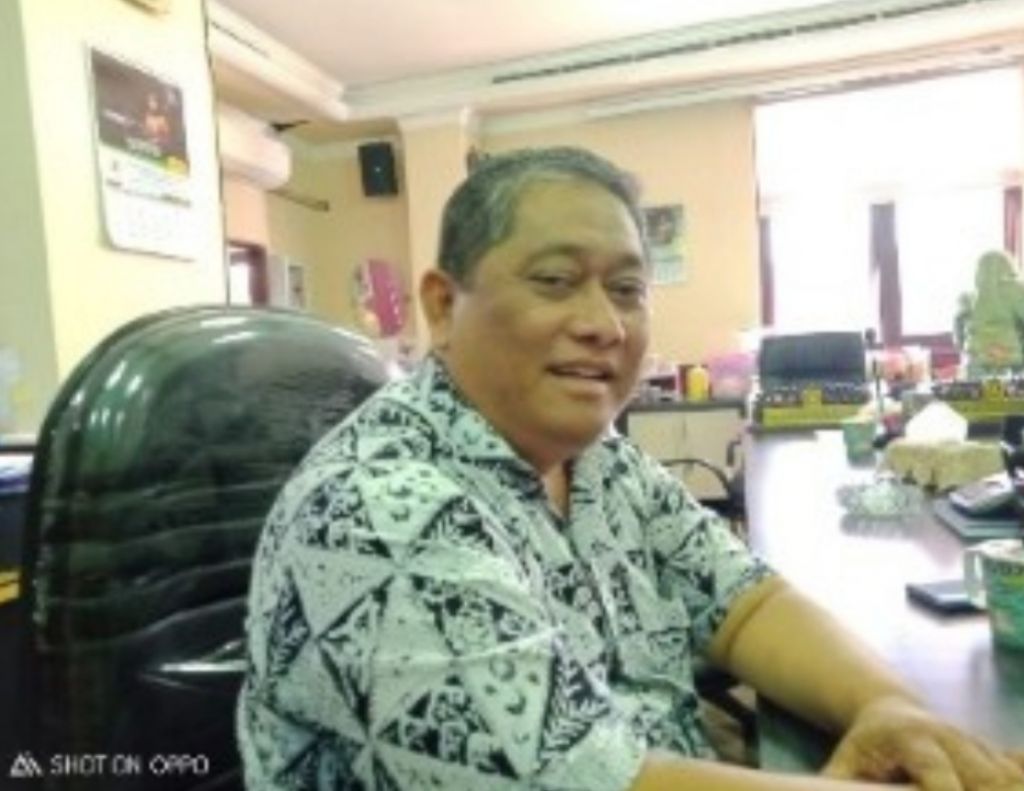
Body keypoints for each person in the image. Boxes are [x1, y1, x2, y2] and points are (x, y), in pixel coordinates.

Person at [237, 146, 1024, 790]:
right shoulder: (379, 510)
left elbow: (744, 602)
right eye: (555, 281)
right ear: (443, 306)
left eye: (626, 289)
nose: (604, 324)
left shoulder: (596, 457)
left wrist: (889, 706)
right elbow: (582, 782)